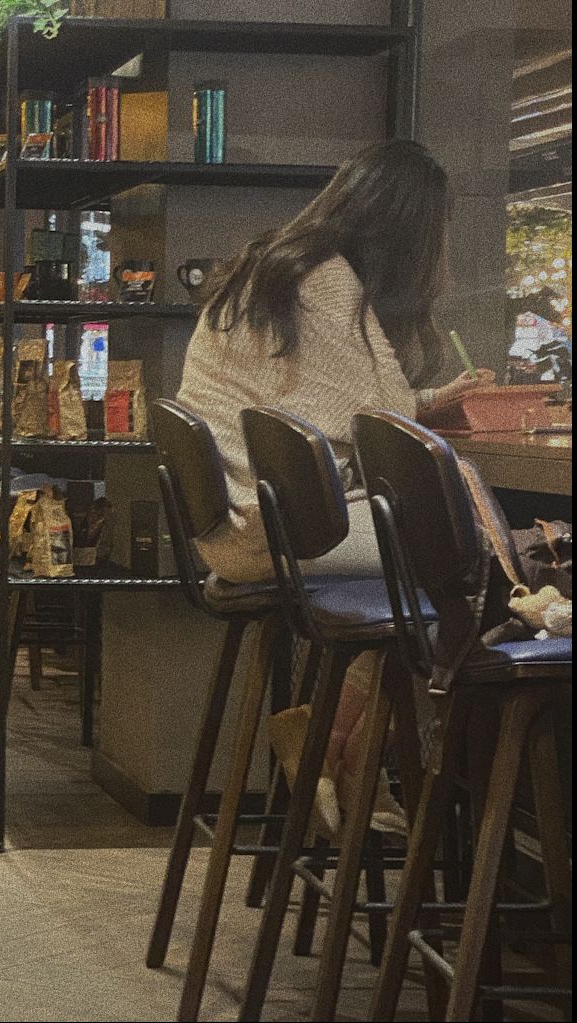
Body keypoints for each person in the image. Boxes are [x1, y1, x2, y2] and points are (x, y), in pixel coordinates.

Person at [176, 139, 494, 835]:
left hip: (241, 523)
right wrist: (426, 400)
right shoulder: (324, 282)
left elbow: (336, 400)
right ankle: (350, 750)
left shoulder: (277, 264)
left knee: (427, 567)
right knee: (471, 559)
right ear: (406, 229)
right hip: (273, 530)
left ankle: (332, 744)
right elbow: (368, 410)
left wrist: (427, 398)